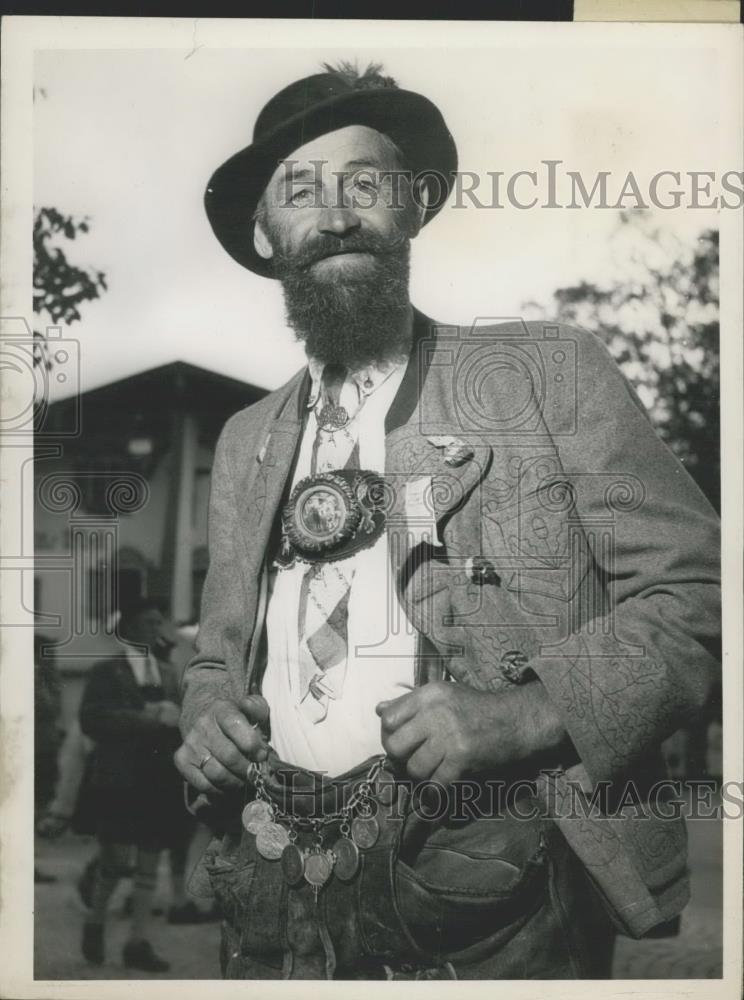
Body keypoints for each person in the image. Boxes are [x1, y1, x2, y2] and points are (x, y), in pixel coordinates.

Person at [175, 61, 721, 980]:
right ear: (268, 235)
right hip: (274, 894)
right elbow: (214, 653)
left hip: (503, 895)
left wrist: (530, 712)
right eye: (300, 192)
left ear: (415, 206)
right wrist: (205, 711)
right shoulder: (243, 441)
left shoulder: (550, 372)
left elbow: (702, 590)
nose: (337, 214)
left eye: (367, 183)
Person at [78, 599, 188, 971]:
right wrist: (147, 718)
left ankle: (137, 943)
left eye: (159, 621)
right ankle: (95, 922)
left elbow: (180, 719)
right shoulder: (106, 671)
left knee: (149, 860)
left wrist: (178, 720)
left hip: (157, 780)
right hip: (118, 779)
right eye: (147, 622)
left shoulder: (170, 672)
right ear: (129, 628)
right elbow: (92, 720)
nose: (155, 629)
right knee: (115, 860)